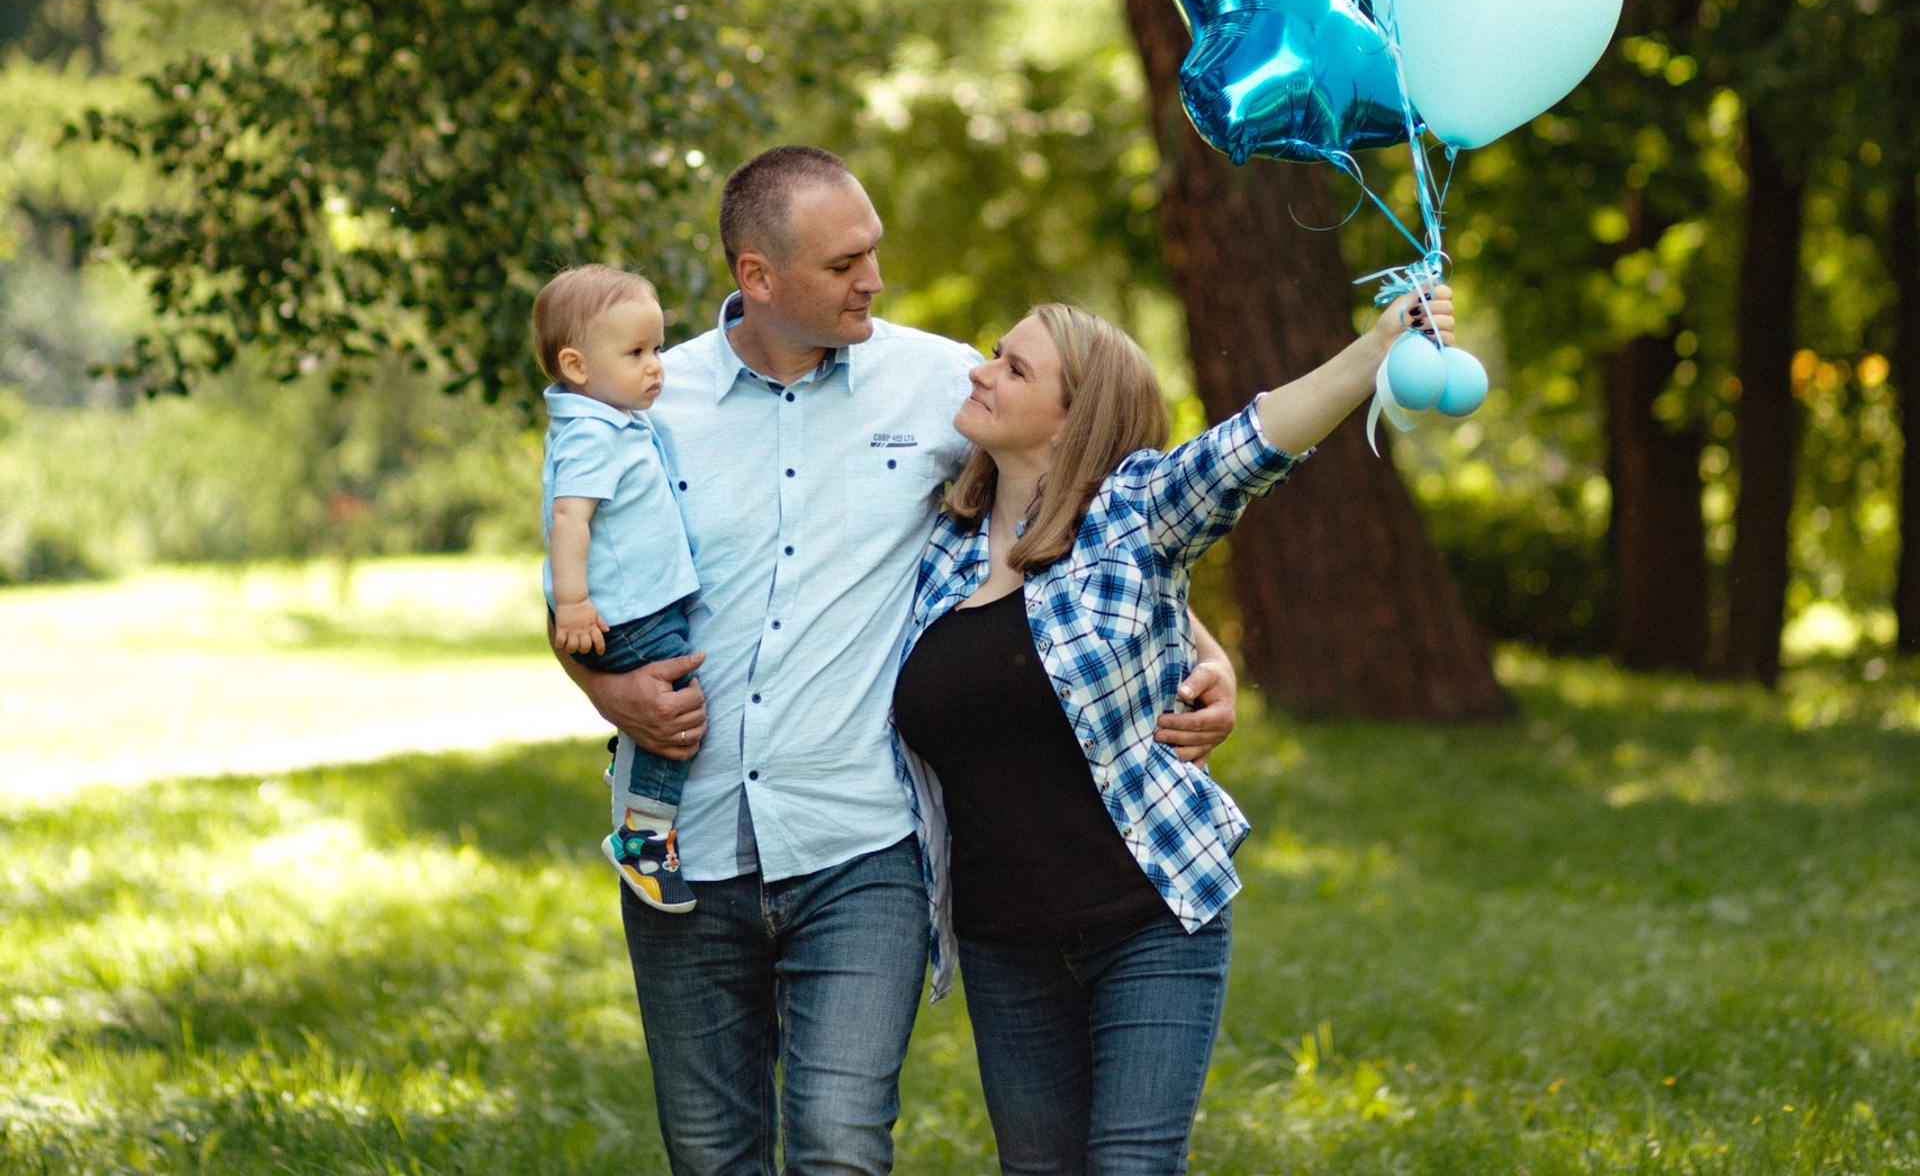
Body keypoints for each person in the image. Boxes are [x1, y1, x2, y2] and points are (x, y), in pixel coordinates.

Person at [549, 145, 1240, 1176]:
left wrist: (1205, 649)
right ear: (757, 277)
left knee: (839, 1143)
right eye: (842, 265)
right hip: (682, 843)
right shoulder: (649, 401)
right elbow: (574, 600)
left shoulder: (935, 385)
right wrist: (609, 690)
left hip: (861, 843)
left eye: (872, 253)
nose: (872, 279)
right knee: (708, 1152)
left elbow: (1082, 516)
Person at [892, 288, 1456, 1176]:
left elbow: (1257, 440)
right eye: (994, 353)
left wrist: (1378, 345)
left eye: (1014, 366)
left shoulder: (1133, 514)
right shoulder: (937, 547)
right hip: (1003, 941)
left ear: (1073, 416)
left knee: (1131, 1165)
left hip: (1148, 916)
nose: (980, 370)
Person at [534, 263, 701, 913]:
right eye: (636, 353)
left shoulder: (612, 418)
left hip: (637, 605)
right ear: (576, 366)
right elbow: (569, 518)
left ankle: (630, 766)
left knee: (663, 712)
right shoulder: (590, 433)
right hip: (625, 614)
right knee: (676, 713)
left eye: (657, 348)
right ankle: (643, 837)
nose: (656, 365)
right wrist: (573, 605)